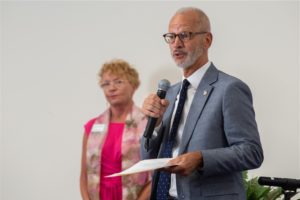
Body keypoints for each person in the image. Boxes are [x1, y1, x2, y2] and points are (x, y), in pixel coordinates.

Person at [141, 7, 264, 200]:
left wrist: (201, 159)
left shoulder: (229, 89)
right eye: (171, 37)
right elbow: (148, 158)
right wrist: (154, 125)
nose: (176, 44)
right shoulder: (170, 94)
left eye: (184, 35)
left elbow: (251, 152)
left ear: (207, 40)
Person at [80, 59, 151, 200]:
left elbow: (156, 174)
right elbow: (84, 174)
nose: (111, 88)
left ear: (134, 85)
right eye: (106, 83)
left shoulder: (147, 125)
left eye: (118, 82)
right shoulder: (92, 127)